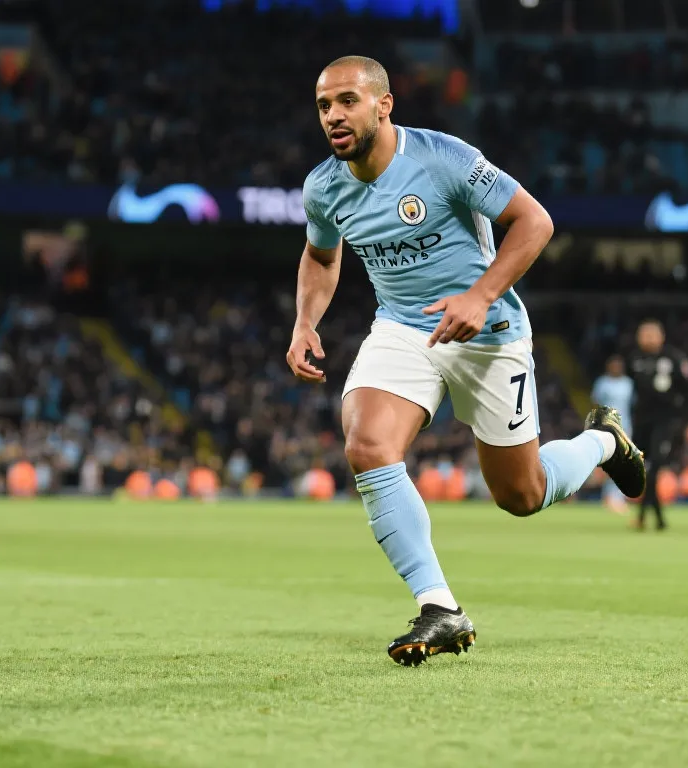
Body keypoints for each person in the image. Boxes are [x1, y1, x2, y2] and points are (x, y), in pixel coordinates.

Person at [286, 56, 645, 667]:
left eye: (347, 101)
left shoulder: (442, 158)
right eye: (324, 105)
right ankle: (440, 606)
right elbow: (321, 257)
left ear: (383, 105)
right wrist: (304, 322)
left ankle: (603, 442)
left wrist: (480, 295)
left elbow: (534, 221)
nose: (333, 116)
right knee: (367, 445)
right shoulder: (323, 186)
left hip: (490, 332)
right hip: (404, 329)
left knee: (522, 494)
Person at [628, 319, 688, 531]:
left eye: (651, 334)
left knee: (655, 467)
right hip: (642, 422)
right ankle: (656, 518)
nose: (646, 338)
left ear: (661, 336)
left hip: (666, 422)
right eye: (643, 334)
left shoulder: (674, 358)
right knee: (643, 470)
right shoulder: (634, 359)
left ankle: (644, 516)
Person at [591, 355, 635, 515]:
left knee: (623, 461)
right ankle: (609, 496)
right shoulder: (602, 383)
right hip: (606, 426)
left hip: (625, 426)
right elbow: (595, 404)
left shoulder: (628, 384)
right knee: (609, 461)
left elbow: (632, 405)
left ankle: (617, 496)